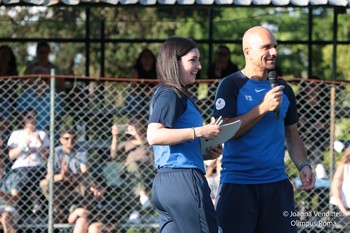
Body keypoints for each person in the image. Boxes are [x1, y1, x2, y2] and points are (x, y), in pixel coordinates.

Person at [213, 26, 315, 233]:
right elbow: (222, 132)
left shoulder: (284, 90)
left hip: (276, 186)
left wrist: (303, 165)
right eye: (266, 47)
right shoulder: (230, 85)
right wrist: (261, 109)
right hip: (238, 185)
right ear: (247, 52)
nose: (274, 52)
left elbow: (292, 136)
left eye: (275, 46)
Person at [147, 36, 222, 233]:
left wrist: (204, 152)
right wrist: (200, 131)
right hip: (184, 182)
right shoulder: (171, 93)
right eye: (193, 60)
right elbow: (154, 135)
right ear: (175, 61)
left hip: (166, 185)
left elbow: (172, 144)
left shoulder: (170, 93)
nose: (199, 65)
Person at [4, 109, 49, 217]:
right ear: (23, 119)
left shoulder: (42, 134)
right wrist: (23, 146)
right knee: (23, 176)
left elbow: (46, 156)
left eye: (34, 117)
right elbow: (11, 156)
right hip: (21, 166)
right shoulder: (17, 134)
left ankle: (35, 203)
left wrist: (40, 142)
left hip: (37, 166)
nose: (32, 120)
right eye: (29, 117)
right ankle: (31, 203)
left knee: (36, 176)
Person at [110, 118, 154, 220]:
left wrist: (137, 135)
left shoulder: (149, 140)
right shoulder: (127, 143)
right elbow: (113, 155)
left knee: (131, 181)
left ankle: (135, 210)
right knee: (132, 167)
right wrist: (115, 137)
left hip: (147, 171)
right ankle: (142, 196)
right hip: (130, 172)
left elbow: (148, 151)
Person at [40, 129, 89, 220]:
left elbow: (85, 173)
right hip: (60, 184)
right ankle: (59, 212)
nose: (70, 141)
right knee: (44, 184)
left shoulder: (81, 151)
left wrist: (72, 176)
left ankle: (78, 210)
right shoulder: (56, 152)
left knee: (88, 183)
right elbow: (48, 176)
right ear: (61, 140)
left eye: (73, 138)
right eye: (66, 138)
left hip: (76, 183)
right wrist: (62, 176)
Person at [296, 76, 330, 179]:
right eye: (311, 86)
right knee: (313, 132)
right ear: (306, 88)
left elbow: (329, 123)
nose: (314, 89)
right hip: (303, 131)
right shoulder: (299, 101)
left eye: (316, 86)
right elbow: (293, 120)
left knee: (317, 132)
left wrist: (322, 125)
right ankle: (318, 165)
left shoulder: (324, 103)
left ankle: (316, 166)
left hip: (320, 132)